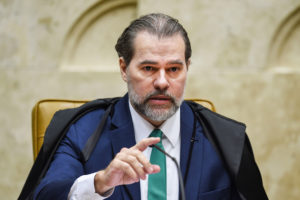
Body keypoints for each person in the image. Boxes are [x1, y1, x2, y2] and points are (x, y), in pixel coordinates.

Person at [31, 13, 268, 199]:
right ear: (124, 69)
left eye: (174, 69)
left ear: (187, 67)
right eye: (149, 68)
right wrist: (100, 183)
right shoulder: (81, 130)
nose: (162, 82)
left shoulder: (227, 139)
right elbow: (47, 194)